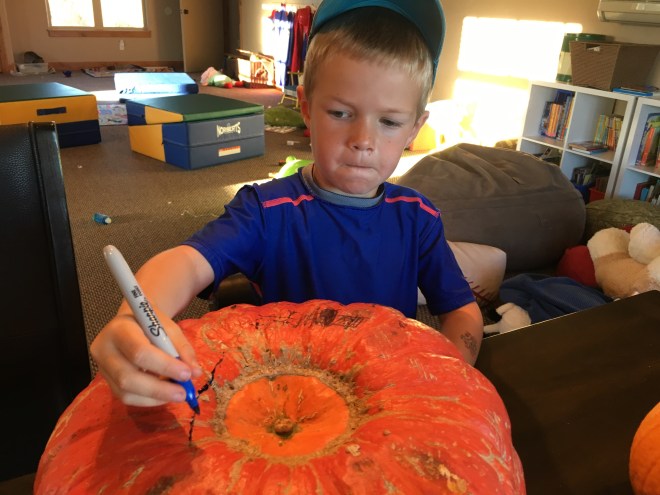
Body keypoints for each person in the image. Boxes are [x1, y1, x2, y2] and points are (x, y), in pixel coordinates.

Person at [90, 0, 483, 408]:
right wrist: (134, 318)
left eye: (389, 122)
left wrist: (445, 375)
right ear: (307, 109)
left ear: (415, 128)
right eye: (341, 113)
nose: (363, 140)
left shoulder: (419, 218)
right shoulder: (266, 210)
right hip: (288, 399)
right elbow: (188, 263)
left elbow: (462, 313)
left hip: (384, 399)